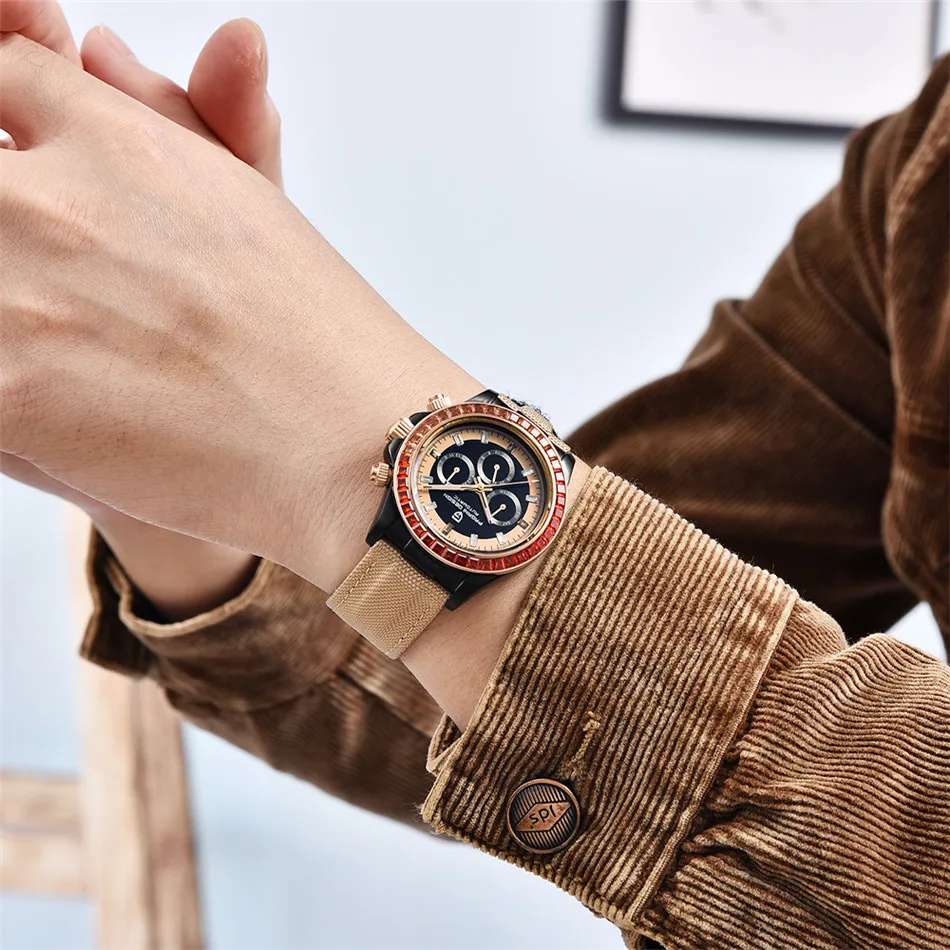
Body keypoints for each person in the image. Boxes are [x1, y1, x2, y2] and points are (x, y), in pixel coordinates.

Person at [0, 2, 947, 947]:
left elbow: (539, 629)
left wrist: (330, 427)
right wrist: (182, 469)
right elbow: (538, 697)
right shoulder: (919, 182)